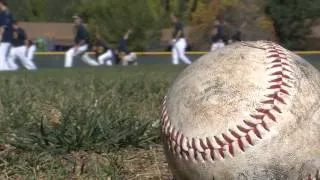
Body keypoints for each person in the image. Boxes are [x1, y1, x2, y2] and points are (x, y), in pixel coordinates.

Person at [0, 0, 12, 70]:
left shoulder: (6, 13)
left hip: (5, 37)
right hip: (5, 37)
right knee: (2, 55)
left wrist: (0, 36)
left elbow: (3, 26)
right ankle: (7, 70)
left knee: (1, 55)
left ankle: (1, 69)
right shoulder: (3, 13)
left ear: (2, 4)